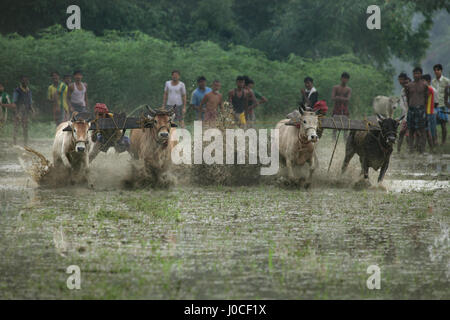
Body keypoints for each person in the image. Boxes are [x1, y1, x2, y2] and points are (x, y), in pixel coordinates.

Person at [405, 67, 428, 154]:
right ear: (413, 74)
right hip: (411, 109)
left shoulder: (424, 85)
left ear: (421, 74)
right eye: (415, 73)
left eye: (418, 73)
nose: (416, 75)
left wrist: (424, 108)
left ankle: (422, 150)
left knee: (422, 130)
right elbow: (407, 97)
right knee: (411, 130)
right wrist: (410, 106)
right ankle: (411, 149)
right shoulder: (409, 85)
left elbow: (426, 98)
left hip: (421, 109)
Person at [12, 75, 33, 146]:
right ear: (21, 81)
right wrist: (17, 113)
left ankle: (25, 143)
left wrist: (32, 110)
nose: (25, 82)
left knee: (25, 128)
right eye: (24, 80)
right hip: (18, 111)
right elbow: (14, 102)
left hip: (26, 112)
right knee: (16, 127)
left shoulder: (28, 90)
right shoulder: (17, 90)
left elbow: (30, 102)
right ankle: (14, 143)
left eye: (26, 80)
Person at [432, 64, 449, 145]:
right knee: (433, 123)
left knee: (443, 124)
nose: (436, 71)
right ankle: (435, 141)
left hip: (443, 105)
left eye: (438, 70)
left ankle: (443, 141)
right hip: (435, 105)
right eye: (435, 70)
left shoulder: (446, 81)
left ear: (441, 71)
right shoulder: (433, 81)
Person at [331, 72, 352, 140]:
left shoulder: (348, 89)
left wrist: (338, 97)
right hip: (336, 110)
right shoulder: (335, 87)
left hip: (345, 111)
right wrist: (343, 98)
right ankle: (333, 142)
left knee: (345, 128)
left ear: (348, 80)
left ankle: (345, 143)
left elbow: (348, 99)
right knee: (334, 128)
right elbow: (333, 98)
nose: (344, 80)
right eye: (343, 78)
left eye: (346, 79)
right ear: (341, 78)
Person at [422, 74, 437, 150]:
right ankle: (432, 146)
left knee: (428, 130)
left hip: (429, 112)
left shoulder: (429, 89)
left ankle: (432, 146)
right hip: (430, 112)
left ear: (428, 81)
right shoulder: (432, 89)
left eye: (423, 81)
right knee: (430, 130)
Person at [397, 73, 410, 152]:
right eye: (399, 80)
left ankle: (410, 149)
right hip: (405, 114)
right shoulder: (402, 91)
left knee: (408, 133)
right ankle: (398, 149)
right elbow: (402, 104)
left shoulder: (410, 89)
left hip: (410, 114)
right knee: (402, 132)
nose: (400, 81)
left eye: (401, 79)